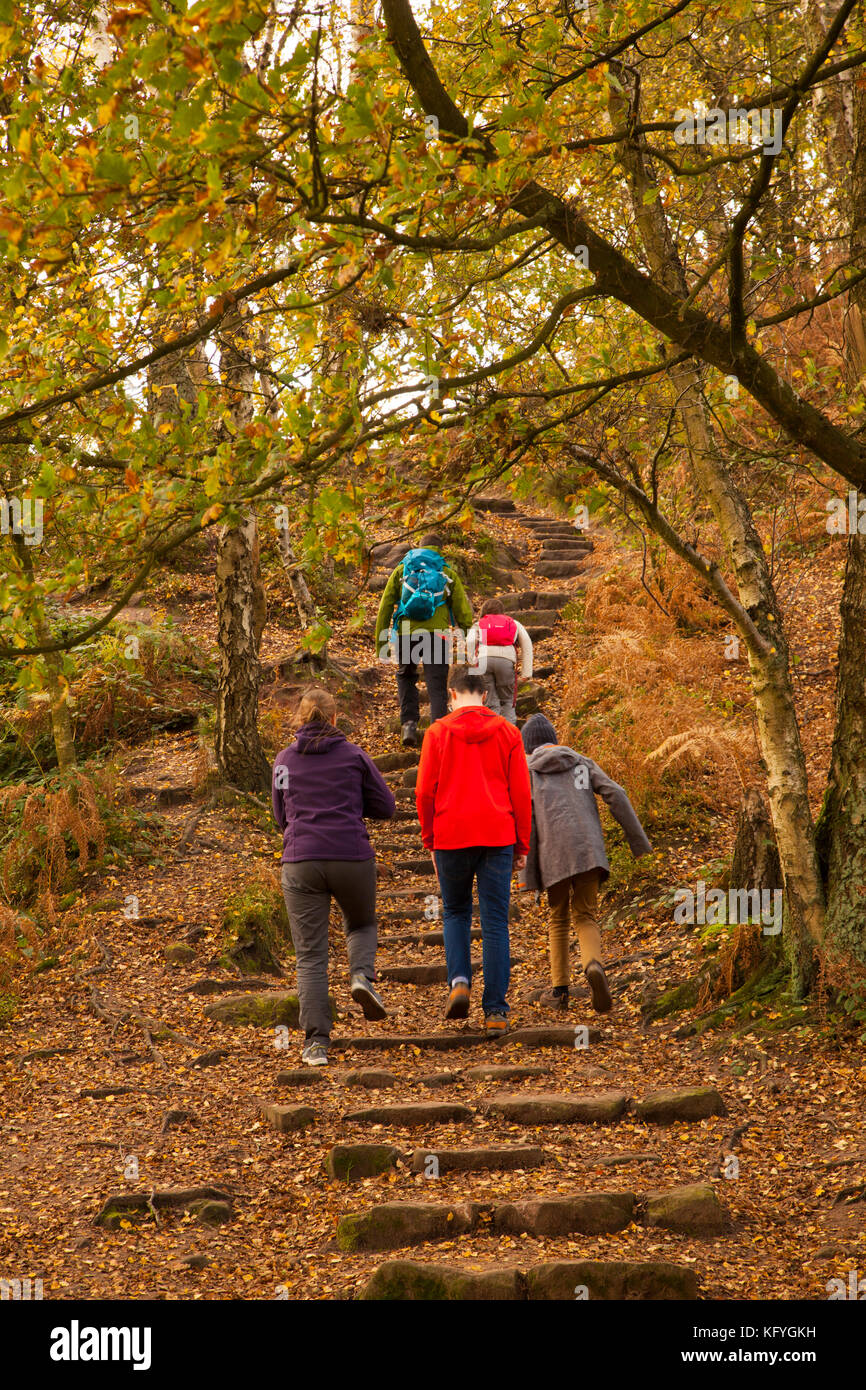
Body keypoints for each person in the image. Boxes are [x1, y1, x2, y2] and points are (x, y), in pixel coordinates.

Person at [272, 687, 396, 1066]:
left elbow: (281, 817)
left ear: (299, 717)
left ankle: (316, 1044)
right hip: (350, 856)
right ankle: (361, 976)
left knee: (310, 956)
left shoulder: (283, 762)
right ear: (335, 718)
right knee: (361, 924)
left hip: (301, 861)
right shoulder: (355, 756)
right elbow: (386, 806)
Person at [415, 664, 532, 1034]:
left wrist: (430, 839)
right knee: (495, 920)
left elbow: (423, 793)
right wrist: (522, 843)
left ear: (451, 695)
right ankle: (496, 1011)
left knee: (455, 912)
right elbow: (521, 794)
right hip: (497, 835)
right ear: (484, 696)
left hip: (451, 834)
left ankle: (460, 981)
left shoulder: (437, 733)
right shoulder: (508, 733)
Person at [521, 712, 652, 1014]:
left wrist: (528, 871)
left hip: (552, 854)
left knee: (558, 919)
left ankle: (559, 992)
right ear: (555, 740)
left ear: (529, 747)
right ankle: (593, 965)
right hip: (588, 851)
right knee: (586, 916)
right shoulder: (581, 762)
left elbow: (527, 819)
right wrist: (638, 843)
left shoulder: (528, 771)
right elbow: (616, 793)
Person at [374, 539, 473, 747]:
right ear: (439, 549)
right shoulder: (447, 573)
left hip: (406, 633)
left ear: (417, 546)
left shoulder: (402, 569)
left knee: (406, 675)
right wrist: (466, 638)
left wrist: (381, 645)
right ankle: (438, 731)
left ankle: (408, 725)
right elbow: (462, 610)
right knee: (436, 682)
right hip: (437, 634)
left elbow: (385, 606)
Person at [465, 597, 533, 724]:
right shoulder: (513, 623)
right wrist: (526, 672)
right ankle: (509, 733)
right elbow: (527, 644)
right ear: (502, 612)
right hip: (506, 662)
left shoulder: (479, 623)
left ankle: (492, 731)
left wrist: (473, 661)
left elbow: (469, 641)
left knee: (490, 700)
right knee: (507, 700)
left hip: (484, 661)